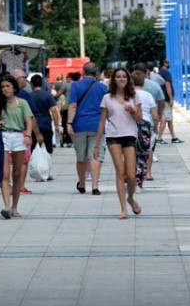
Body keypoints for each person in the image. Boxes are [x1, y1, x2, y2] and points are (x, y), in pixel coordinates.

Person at [94, 67, 143, 219]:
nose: (121, 79)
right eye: (118, 77)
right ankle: (123, 209)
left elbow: (140, 119)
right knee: (120, 172)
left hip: (129, 135)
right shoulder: (107, 98)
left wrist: (133, 112)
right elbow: (102, 122)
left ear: (128, 79)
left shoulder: (134, 97)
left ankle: (130, 198)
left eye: (124, 76)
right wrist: (97, 145)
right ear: (113, 80)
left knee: (131, 173)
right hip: (113, 136)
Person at [0, 74, 35, 218]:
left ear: (14, 88)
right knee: (5, 174)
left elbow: (28, 120)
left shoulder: (22, 103)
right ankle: (7, 206)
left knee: (17, 174)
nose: (5, 89)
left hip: (18, 136)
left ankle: (15, 206)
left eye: (7, 86)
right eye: (2, 87)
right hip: (2, 136)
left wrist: (28, 135)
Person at [67, 63, 109, 195]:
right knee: (95, 156)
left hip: (79, 125)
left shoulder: (75, 85)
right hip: (97, 125)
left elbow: (73, 105)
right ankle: (95, 186)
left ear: (83, 72)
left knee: (81, 156)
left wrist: (69, 123)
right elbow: (107, 107)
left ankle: (82, 183)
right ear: (96, 73)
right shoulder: (103, 87)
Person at [11, 69, 44, 193]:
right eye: (23, 77)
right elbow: (30, 117)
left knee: (12, 161)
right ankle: (20, 186)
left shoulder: (6, 94)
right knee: (23, 160)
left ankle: (11, 185)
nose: (25, 79)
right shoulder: (25, 96)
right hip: (23, 132)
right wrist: (37, 133)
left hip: (10, 132)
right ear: (16, 79)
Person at [27, 74, 61, 170]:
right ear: (42, 84)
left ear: (31, 84)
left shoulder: (29, 97)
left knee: (33, 148)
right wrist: (57, 125)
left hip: (33, 126)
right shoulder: (48, 96)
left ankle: (36, 169)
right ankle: (46, 169)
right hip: (46, 125)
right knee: (47, 149)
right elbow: (54, 110)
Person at [131, 71, 159, 181]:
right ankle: (148, 173)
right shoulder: (148, 95)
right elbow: (155, 115)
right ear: (143, 82)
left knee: (132, 149)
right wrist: (156, 126)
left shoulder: (129, 95)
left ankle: (132, 171)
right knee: (148, 149)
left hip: (132, 124)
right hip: (146, 125)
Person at [157, 59, 182, 144]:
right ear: (164, 63)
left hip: (161, 98)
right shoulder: (166, 73)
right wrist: (171, 98)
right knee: (165, 119)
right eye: (168, 62)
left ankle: (173, 137)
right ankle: (159, 138)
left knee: (170, 119)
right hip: (166, 99)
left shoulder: (159, 72)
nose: (169, 64)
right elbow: (168, 86)